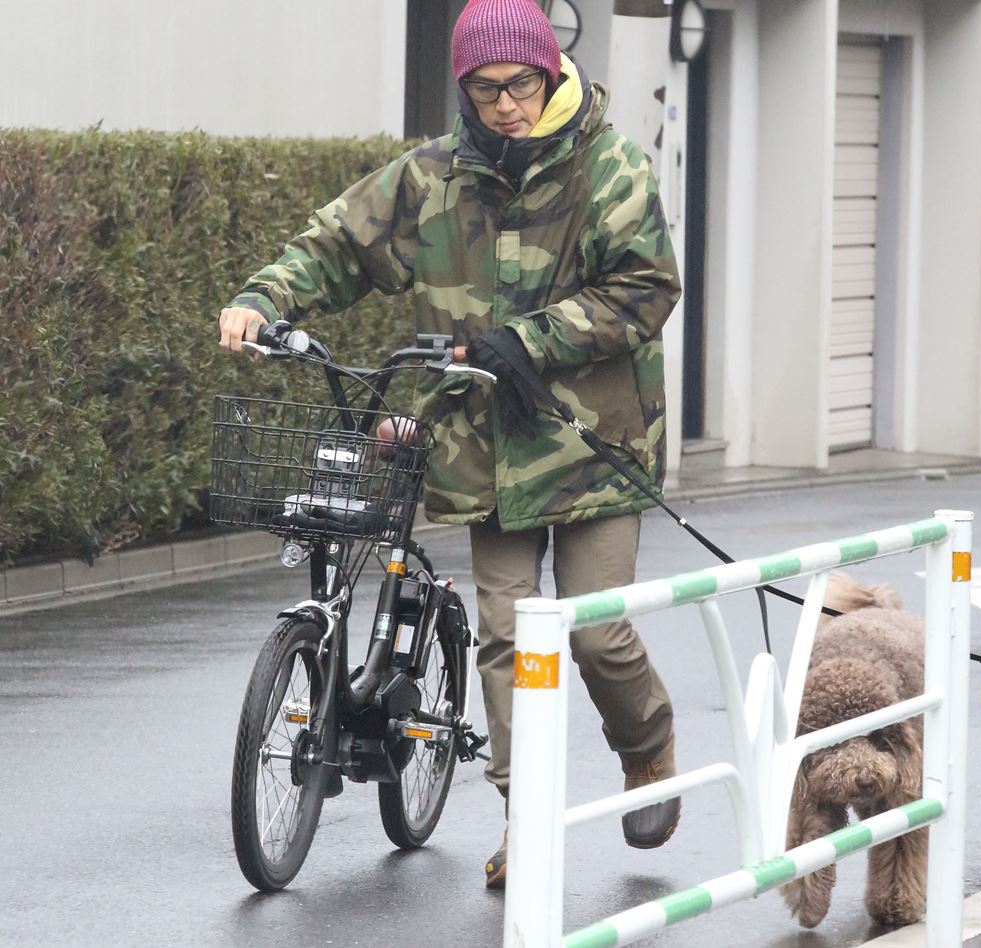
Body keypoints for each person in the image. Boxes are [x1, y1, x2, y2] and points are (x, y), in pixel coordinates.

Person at [217, 0, 681, 890]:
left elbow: (646, 287)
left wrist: (534, 338)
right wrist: (264, 297)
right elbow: (336, 246)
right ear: (463, 89)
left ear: (549, 74)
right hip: (482, 449)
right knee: (508, 635)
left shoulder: (608, 165)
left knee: (596, 633)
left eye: (521, 84)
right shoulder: (431, 178)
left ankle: (649, 753)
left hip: (590, 446)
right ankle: (527, 818)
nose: (506, 104)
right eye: (485, 88)